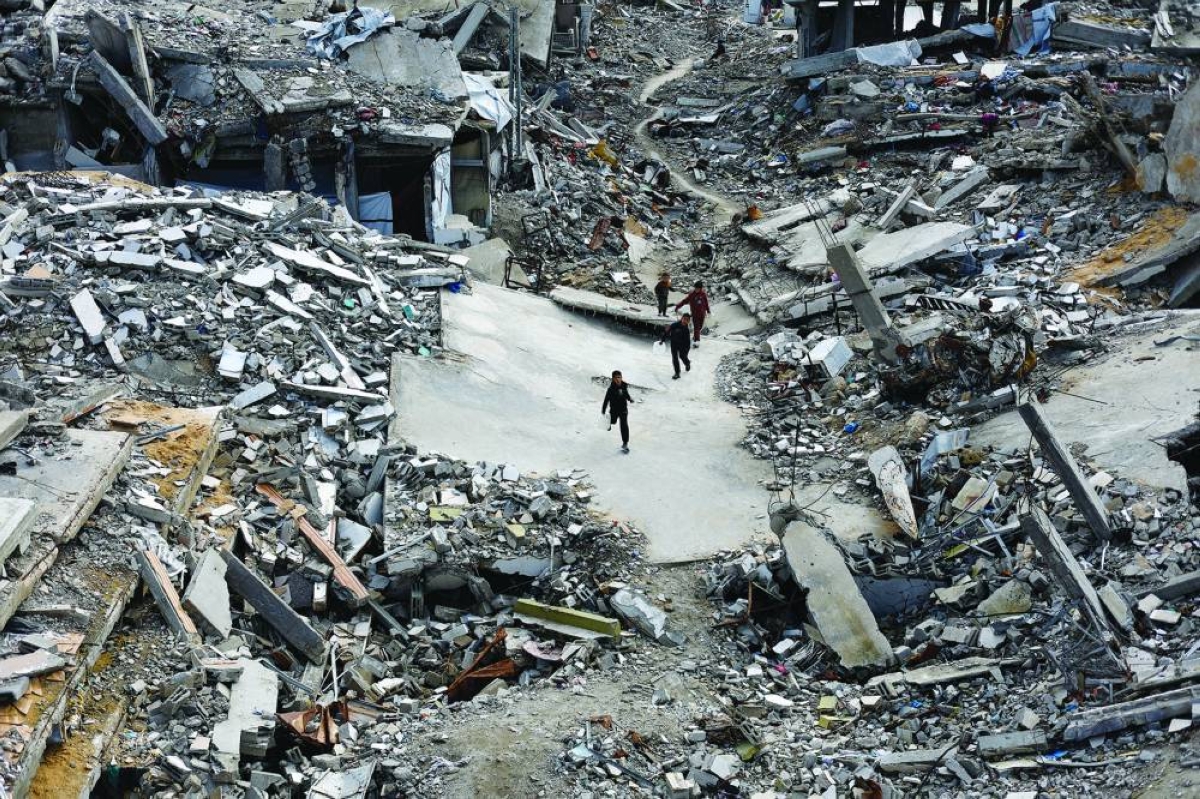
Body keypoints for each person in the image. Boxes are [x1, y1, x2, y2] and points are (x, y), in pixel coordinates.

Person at [601, 370, 633, 453]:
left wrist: (630, 399)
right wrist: (603, 411)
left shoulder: (624, 385)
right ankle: (608, 423)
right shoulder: (610, 389)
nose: (618, 379)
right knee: (613, 421)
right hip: (614, 410)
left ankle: (625, 443)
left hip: (623, 410)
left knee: (624, 425)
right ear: (613, 379)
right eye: (616, 378)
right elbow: (606, 400)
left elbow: (626, 394)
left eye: (620, 377)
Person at [675, 281, 710, 347]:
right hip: (695, 314)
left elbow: (706, 303)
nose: (697, 289)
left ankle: (695, 337)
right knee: (696, 327)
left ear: (701, 288)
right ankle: (697, 341)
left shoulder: (703, 294)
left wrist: (708, 311)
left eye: (698, 288)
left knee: (700, 327)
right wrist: (678, 306)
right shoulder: (692, 295)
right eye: (696, 288)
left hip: (702, 314)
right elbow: (684, 301)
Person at [659, 313, 692, 380]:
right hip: (674, 344)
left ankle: (687, 363)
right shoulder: (675, 325)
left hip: (682, 345)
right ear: (681, 318)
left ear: (688, 321)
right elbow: (667, 332)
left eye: (687, 320)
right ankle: (677, 373)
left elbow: (688, 342)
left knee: (682, 356)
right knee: (675, 358)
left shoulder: (686, 330)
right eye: (684, 319)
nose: (685, 321)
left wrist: (686, 351)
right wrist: (662, 340)